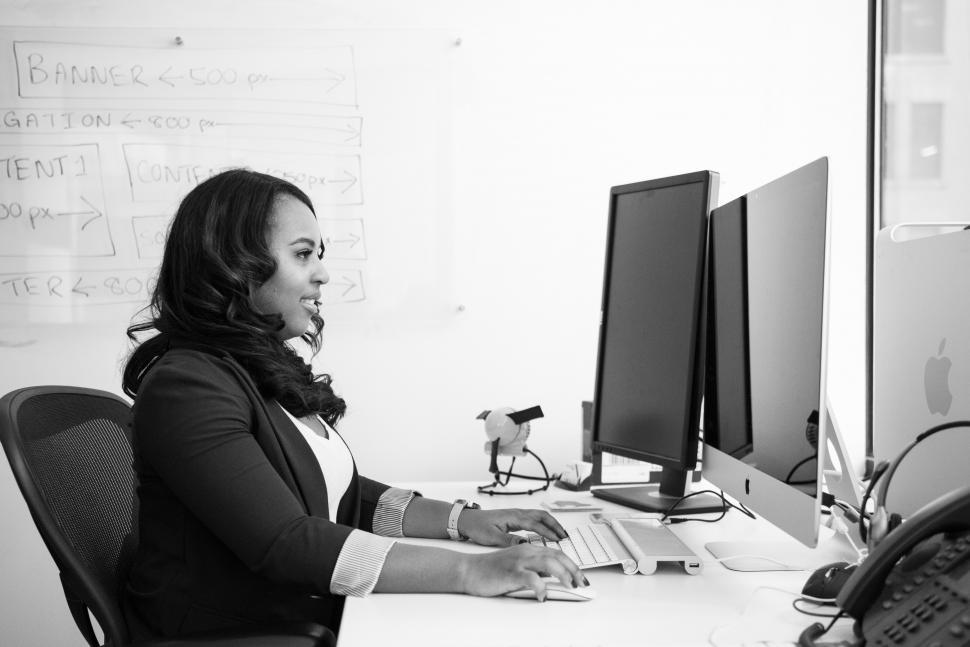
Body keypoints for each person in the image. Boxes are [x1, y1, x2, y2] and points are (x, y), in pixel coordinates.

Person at [121, 169, 587, 640]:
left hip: (296, 618)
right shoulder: (188, 386)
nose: (322, 273)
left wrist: (464, 522)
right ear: (234, 263)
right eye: (303, 254)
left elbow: (340, 493)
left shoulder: (255, 367)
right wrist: (470, 572)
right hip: (230, 636)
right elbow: (287, 543)